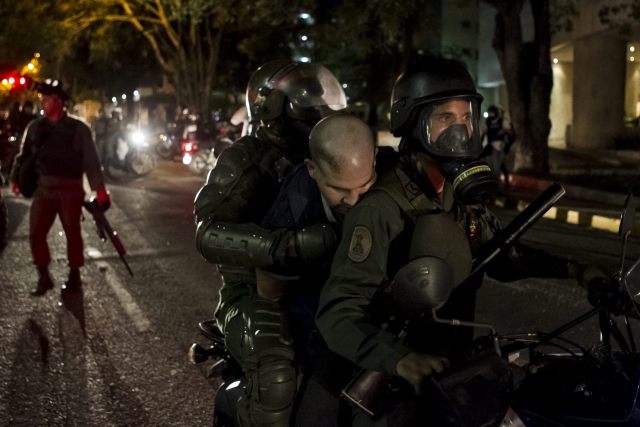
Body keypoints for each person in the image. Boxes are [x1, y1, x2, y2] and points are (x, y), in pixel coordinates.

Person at [315, 57, 587, 425]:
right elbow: (339, 311)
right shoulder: (382, 208)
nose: (459, 130)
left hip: (455, 371)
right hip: (402, 382)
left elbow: (503, 257)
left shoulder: (457, 198)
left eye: (465, 117)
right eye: (445, 118)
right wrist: (400, 359)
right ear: (412, 122)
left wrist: (577, 269)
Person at [193, 60, 347, 426]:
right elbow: (207, 230)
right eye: (305, 101)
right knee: (276, 369)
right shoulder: (247, 157)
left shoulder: (326, 155)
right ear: (272, 107)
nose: (317, 109)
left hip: (325, 284)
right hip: (251, 293)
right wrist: (288, 245)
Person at [258, 113, 378, 425]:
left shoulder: (393, 175)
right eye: (340, 189)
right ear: (312, 170)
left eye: (364, 186)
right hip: (318, 325)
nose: (354, 201)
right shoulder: (294, 204)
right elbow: (270, 285)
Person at [9, 80, 111, 296]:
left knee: (73, 234)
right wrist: (15, 179)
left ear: (58, 102)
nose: (42, 103)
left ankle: (74, 276)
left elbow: (91, 161)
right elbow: (23, 156)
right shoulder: (35, 128)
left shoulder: (78, 128)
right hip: (44, 189)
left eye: (45, 100)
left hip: (71, 190)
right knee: (36, 233)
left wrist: (99, 190)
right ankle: (43, 276)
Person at [483, 105, 513, 188]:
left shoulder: (501, 121)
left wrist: (504, 131)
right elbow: (485, 133)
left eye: (492, 112)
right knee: (496, 167)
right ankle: (497, 185)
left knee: (500, 165)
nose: (491, 114)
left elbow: (510, 131)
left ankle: (502, 184)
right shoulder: (488, 122)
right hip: (493, 146)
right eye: (490, 113)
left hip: (501, 146)